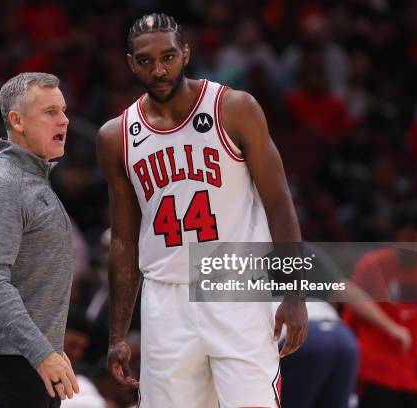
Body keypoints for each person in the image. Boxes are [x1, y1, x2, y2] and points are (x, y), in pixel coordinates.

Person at [96, 13, 308, 408]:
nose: (158, 69)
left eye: (169, 57)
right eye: (145, 61)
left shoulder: (235, 108)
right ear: (130, 63)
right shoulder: (116, 136)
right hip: (165, 298)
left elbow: (279, 202)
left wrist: (294, 293)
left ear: (186, 54)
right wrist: (118, 333)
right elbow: (124, 239)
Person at [0, 72, 79, 407]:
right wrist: (42, 353)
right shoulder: (2, 185)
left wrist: (51, 347)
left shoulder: (31, 178)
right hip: (9, 362)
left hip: (26, 358)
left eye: (64, 110)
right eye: (51, 112)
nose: (65, 120)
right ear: (17, 120)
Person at [343, 203, 417, 408]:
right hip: (375, 372)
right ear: (397, 234)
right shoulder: (372, 264)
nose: (414, 243)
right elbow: (352, 315)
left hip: (414, 373)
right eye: (409, 237)